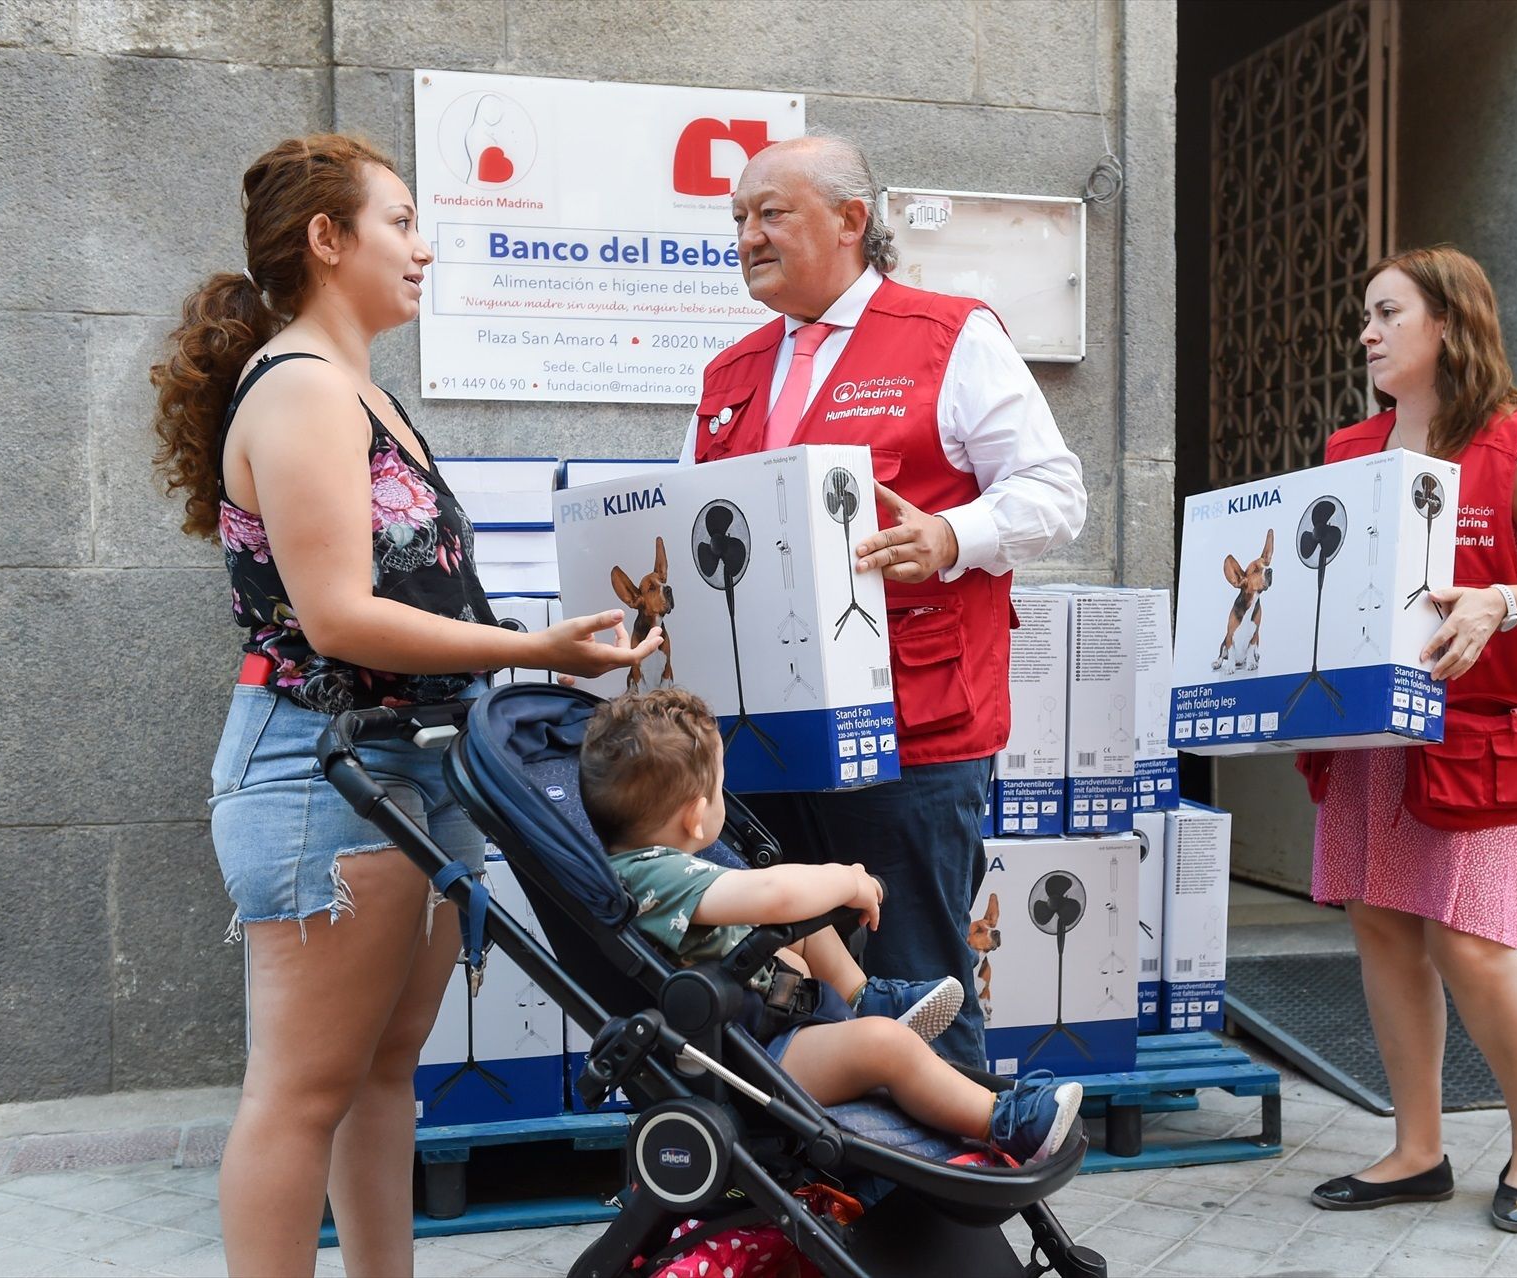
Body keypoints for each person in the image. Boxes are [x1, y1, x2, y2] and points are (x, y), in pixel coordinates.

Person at [150, 133, 660, 1277]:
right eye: (401, 222)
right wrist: (534, 648)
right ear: (327, 242)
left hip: (417, 766)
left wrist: (540, 652)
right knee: (300, 1091)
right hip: (326, 770)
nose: (425, 249)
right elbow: (335, 617)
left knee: (384, 1075)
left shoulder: (365, 394)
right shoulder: (300, 392)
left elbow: (416, 593)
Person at [682, 135, 1087, 1067]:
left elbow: (1055, 493)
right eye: (738, 218)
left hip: (914, 726)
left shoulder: (950, 334)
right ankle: (826, 1197)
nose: (747, 235)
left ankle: (949, 1203)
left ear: (851, 219)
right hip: (763, 735)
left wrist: (953, 536)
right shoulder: (729, 373)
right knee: (778, 983)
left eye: (769, 213)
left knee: (919, 977)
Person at [1296, 246, 1517, 1234]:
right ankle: (1418, 1149)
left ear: (1447, 324)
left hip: (1490, 736)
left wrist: (1505, 603)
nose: (1367, 331)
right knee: (1384, 925)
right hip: (1378, 744)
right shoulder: (1350, 452)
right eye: (1365, 315)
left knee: (1471, 943)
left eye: (1388, 312)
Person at [580, 688, 1085, 1166]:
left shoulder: (646, 868)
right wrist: (845, 880)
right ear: (695, 817)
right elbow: (772, 894)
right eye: (718, 790)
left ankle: (865, 996)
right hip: (751, 1059)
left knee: (804, 927)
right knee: (886, 1046)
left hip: (765, 1020)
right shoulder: (653, 876)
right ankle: (1003, 1124)